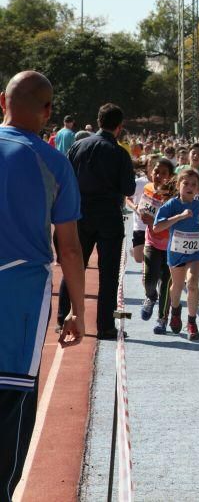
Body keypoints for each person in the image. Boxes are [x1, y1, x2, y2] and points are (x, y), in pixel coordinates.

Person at [0, 70, 85, 500]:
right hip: (20, 298)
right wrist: (79, 311)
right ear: (48, 111)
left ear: (2, 102)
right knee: (11, 405)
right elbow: (68, 247)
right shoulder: (53, 162)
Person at [57, 103, 136, 340]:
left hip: (79, 213)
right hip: (109, 216)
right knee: (109, 273)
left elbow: (65, 179)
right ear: (119, 127)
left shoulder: (78, 145)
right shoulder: (120, 153)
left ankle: (63, 319)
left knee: (74, 266)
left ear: (98, 121)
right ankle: (105, 326)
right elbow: (128, 188)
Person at [153, 169, 199, 341]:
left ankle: (192, 322)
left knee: (192, 284)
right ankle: (175, 311)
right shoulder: (171, 205)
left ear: (198, 188)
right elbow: (157, 227)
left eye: (194, 184)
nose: (190, 187)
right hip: (176, 251)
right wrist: (179, 216)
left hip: (195, 251)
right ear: (178, 185)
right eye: (186, 183)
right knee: (176, 286)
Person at [138, 158, 175, 334]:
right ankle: (150, 297)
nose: (159, 175)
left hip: (170, 246)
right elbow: (143, 209)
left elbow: (175, 222)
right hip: (152, 242)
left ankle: (162, 319)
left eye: (163, 173)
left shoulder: (174, 196)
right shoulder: (147, 189)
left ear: (170, 177)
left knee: (167, 285)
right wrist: (141, 212)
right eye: (156, 171)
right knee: (148, 280)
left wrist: (154, 221)